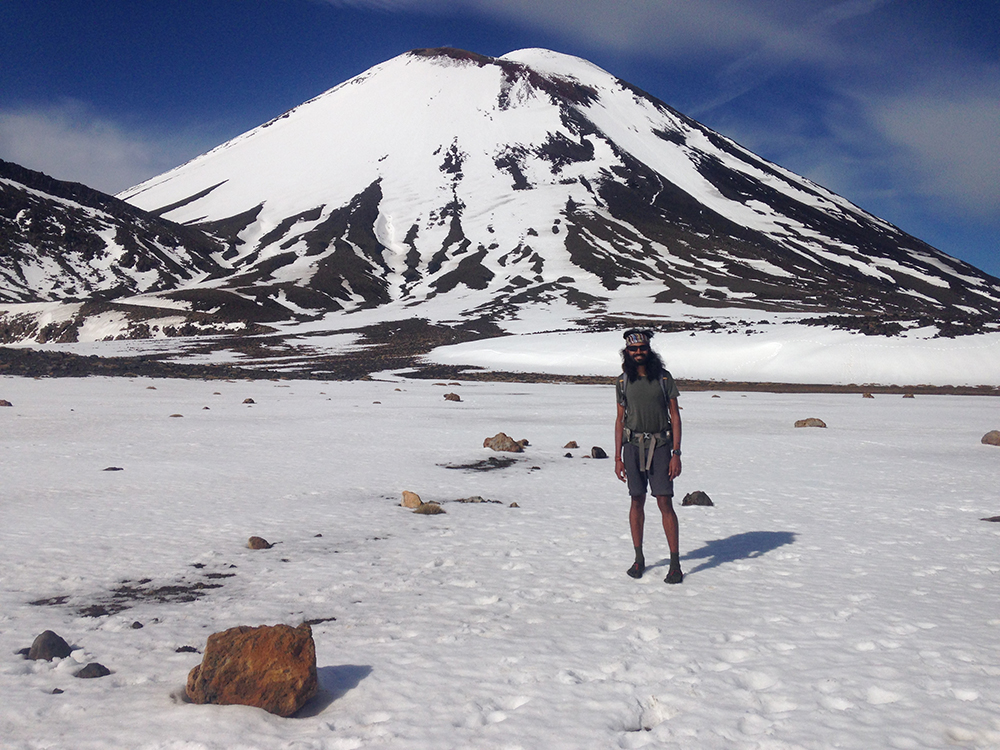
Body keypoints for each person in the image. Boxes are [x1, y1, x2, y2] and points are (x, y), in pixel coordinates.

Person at [614, 329, 684, 584]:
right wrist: (617, 457)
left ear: (649, 349)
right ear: (627, 352)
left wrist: (676, 453)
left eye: (642, 348)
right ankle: (638, 558)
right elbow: (620, 419)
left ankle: (675, 563)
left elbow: (675, 416)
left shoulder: (664, 379)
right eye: (633, 349)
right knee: (636, 501)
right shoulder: (622, 382)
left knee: (665, 502)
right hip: (632, 447)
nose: (638, 352)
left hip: (661, 446)